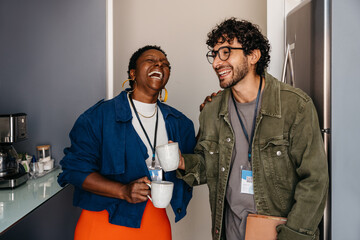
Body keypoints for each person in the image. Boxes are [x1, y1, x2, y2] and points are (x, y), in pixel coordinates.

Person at [177, 18, 329, 240]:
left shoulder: (295, 107)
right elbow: (208, 166)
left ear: (253, 56)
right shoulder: (211, 111)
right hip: (229, 232)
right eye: (214, 54)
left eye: (226, 52)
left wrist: (293, 235)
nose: (216, 63)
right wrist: (183, 163)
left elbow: (314, 181)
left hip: (279, 233)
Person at [58, 45, 196, 240]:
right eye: (150, 60)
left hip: (155, 225)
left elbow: (194, 165)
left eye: (165, 64)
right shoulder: (98, 117)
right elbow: (73, 171)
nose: (159, 64)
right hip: (102, 224)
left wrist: (210, 116)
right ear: (132, 73)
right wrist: (122, 191)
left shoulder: (180, 123)